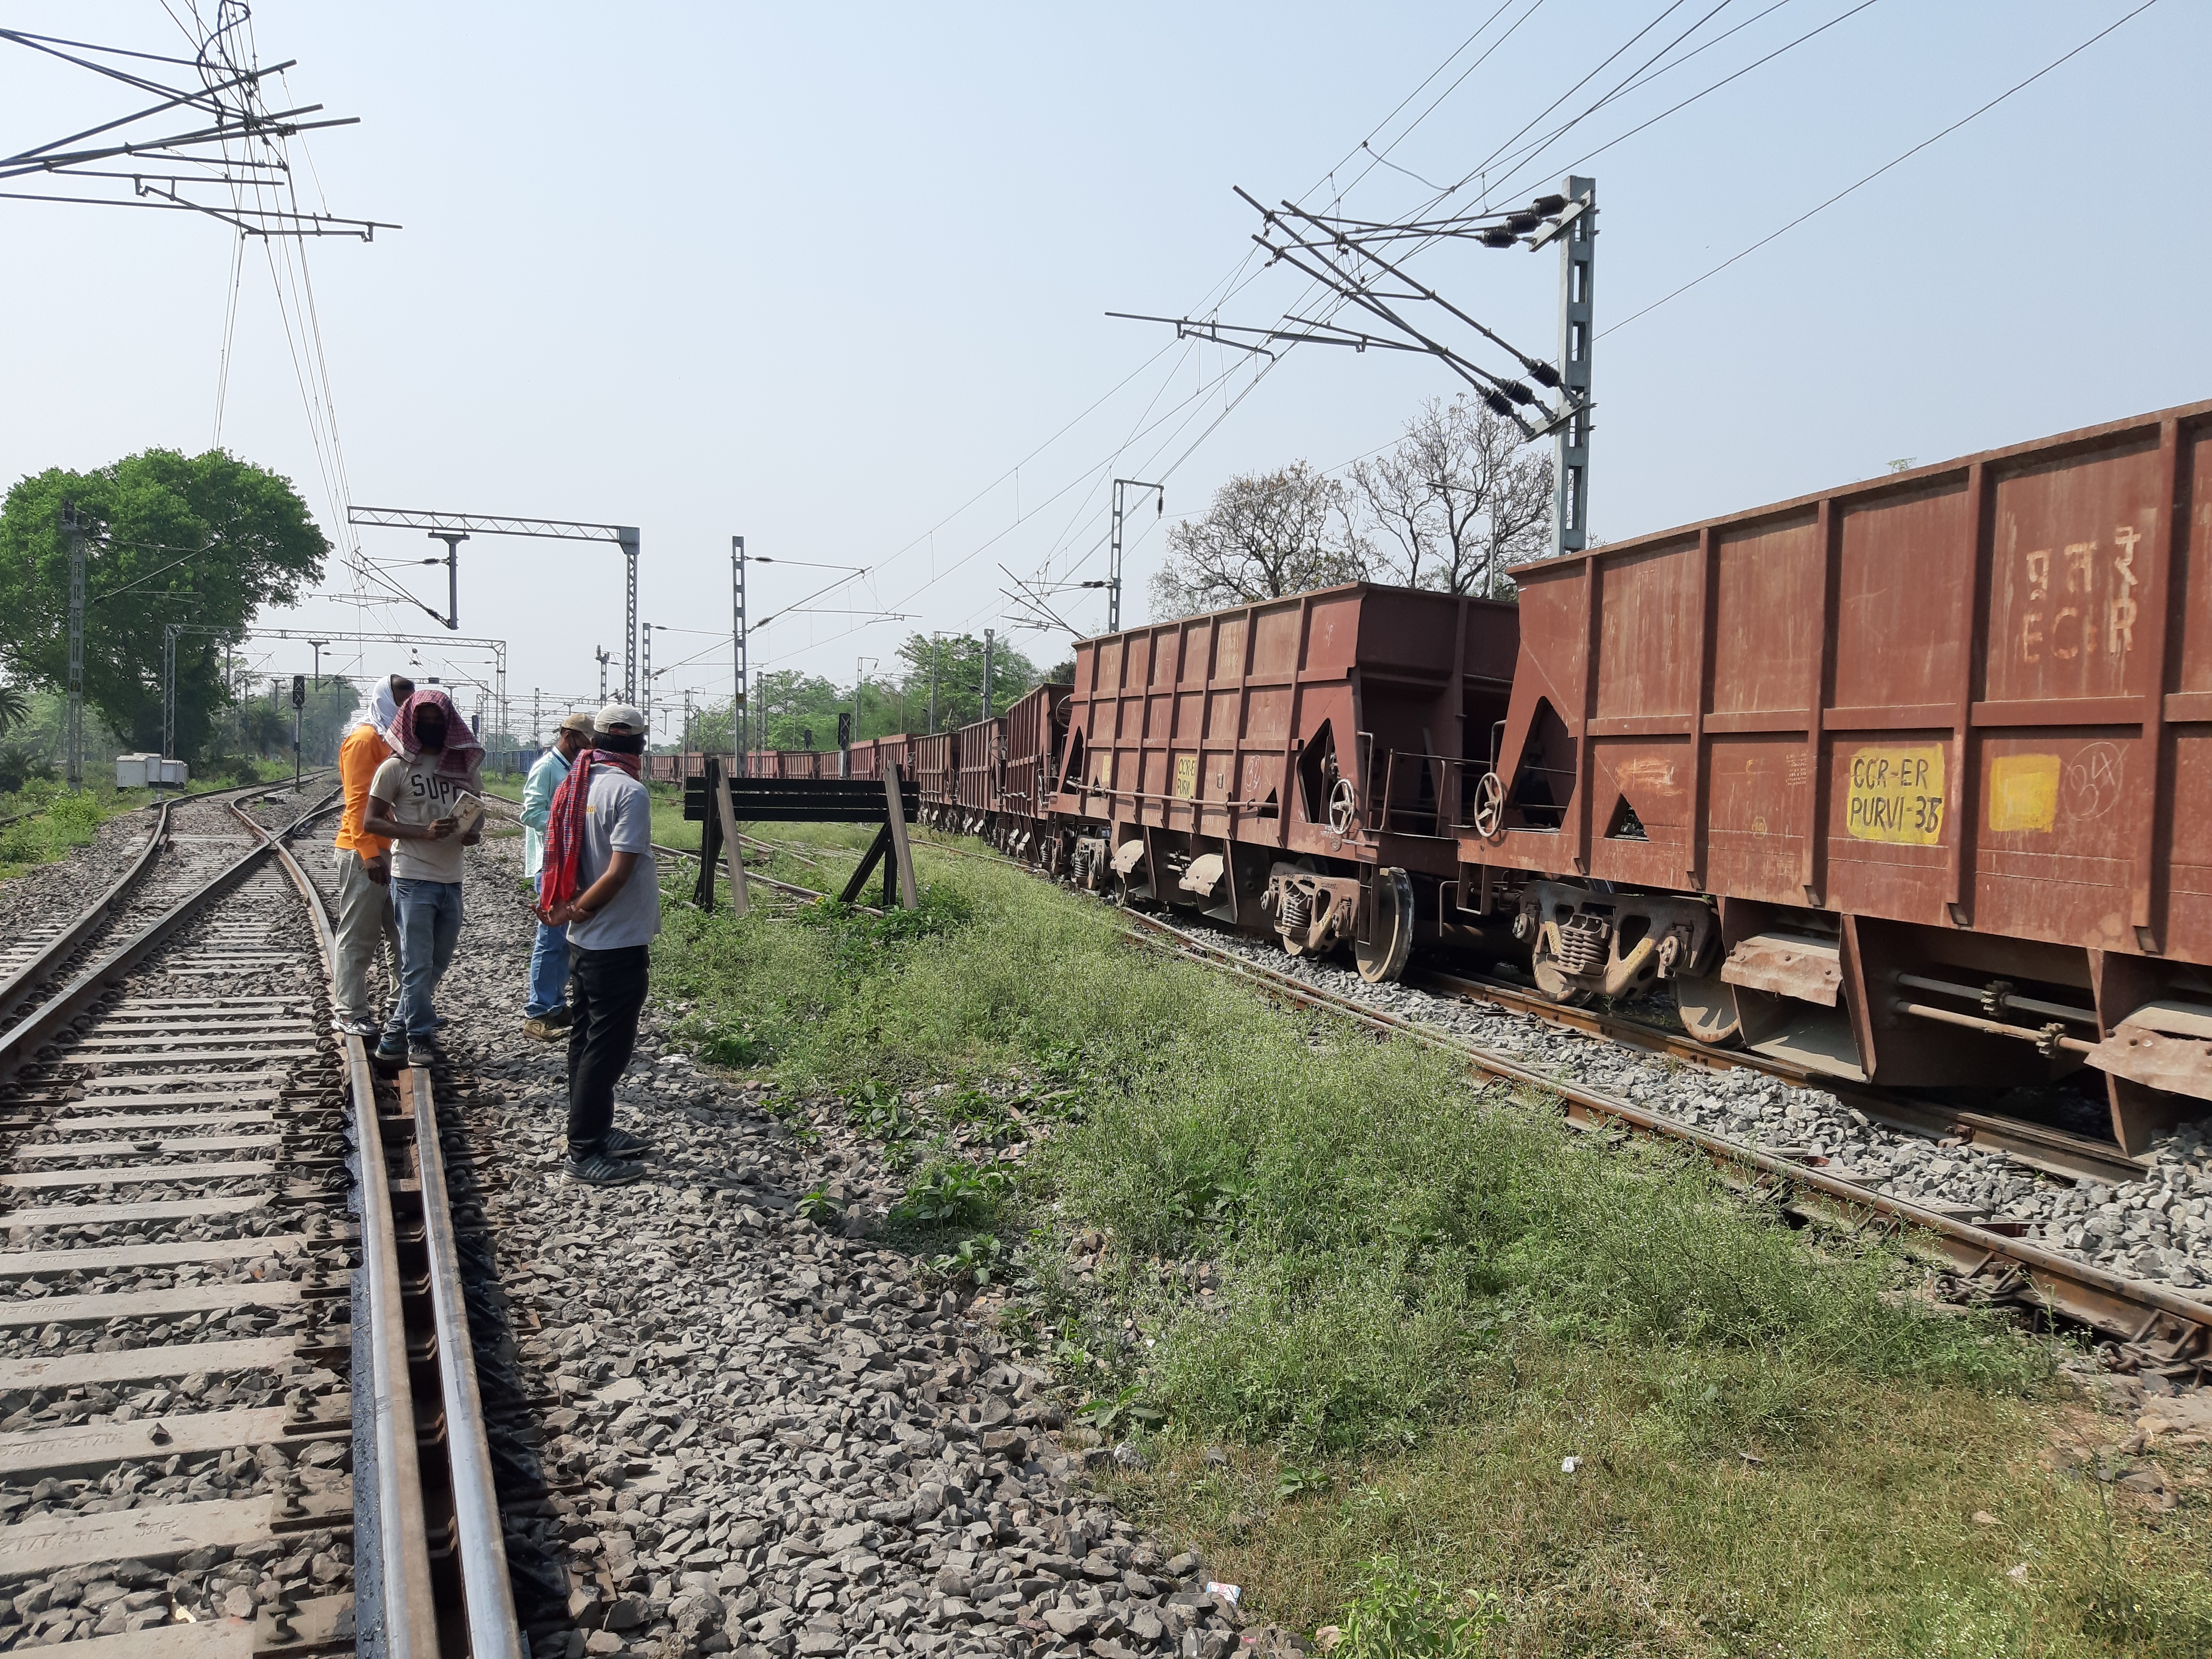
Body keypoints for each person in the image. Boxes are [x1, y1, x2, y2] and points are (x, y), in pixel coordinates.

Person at [539, 702, 659, 1185]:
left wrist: (570, 914)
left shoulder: (577, 783)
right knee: (606, 1049)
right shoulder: (629, 791)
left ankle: (595, 1130)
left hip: (585, 943)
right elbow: (618, 871)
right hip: (614, 940)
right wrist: (579, 909)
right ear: (634, 740)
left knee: (586, 1039)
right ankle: (584, 1150)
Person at [363, 689, 486, 1069]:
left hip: (453, 879)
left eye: (438, 720)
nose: (432, 726)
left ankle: (394, 1038)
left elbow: (477, 816)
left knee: (435, 966)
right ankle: (419, 1040)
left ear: (449, 722)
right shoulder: (395, 768)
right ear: (412, 723)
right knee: (416, 967)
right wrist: (422, 832)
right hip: (413, 878)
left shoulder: (462, 767)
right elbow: (371, 821)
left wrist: (472, 832)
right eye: (425, 720)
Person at [330, 673, 412, 1037]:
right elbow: (358, 804)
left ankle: (401, 1009)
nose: (406, 710)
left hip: (391, 852)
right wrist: (369, 855)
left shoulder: (393, 741)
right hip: (363, 853)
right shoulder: (364, 741)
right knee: (359, 934)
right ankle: (349, 1011)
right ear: (385, 701)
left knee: (401, 935)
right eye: (401, 703)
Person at [520, 712, 594, 1040]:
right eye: (584, 741)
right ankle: (538, 1012)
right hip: (549, 866)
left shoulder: (571, 768)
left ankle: (554, 1004)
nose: (588, 748)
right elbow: (531, 812)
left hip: (565, 865)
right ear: (569, 735)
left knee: (565, 939)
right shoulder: (547, 768)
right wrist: (565, 825)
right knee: (551, 941)